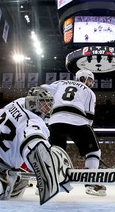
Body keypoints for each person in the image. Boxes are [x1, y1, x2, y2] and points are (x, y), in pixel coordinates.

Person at [0, 88, 73, 205]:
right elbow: (33, 149)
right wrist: (51, 168)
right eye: (44, 104)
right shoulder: (35, 123)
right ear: (32, 103)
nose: (48, 108)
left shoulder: (19, 102)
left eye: (49, 104)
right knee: (17, 187)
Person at [40, 69, 106, 197]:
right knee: (93, 152)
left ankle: (48, 184)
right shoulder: (89, 92)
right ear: (83, 78)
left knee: (55, 154)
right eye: (90, 80)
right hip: (78, 121)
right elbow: (90, 117)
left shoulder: (60, 83)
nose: (91, 84)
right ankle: (91, 184)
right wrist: (86, 138)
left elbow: (41, 89)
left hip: (55, 120)